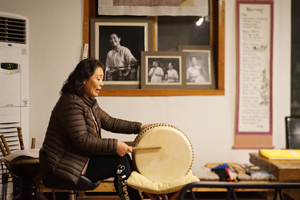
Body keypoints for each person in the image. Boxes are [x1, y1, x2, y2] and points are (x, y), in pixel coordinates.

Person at [42, 58, 151, 200]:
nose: (102, 83)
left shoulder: (87, 101)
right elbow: (82, 140)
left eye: (102, 79)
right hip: (66, 163)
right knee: (121, 162)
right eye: (98, 79)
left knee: (123, 157)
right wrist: (115, 145)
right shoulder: (70, 102)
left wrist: (139, 127)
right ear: (84, 80)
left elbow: (110, 122)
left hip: (80, 157)